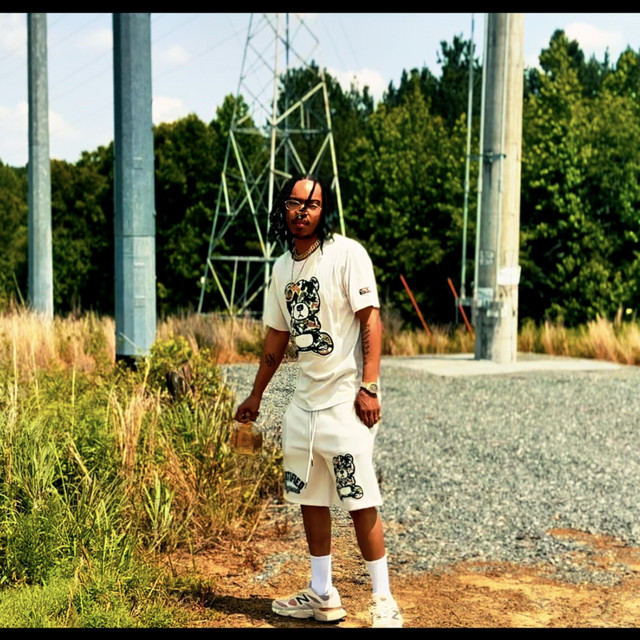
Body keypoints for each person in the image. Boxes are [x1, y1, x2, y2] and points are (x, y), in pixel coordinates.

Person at [234, 173, 403, 628]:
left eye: (312, 205)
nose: (302, 212)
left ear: (323, 211)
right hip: (303, 404)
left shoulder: (347, 254)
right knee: (310, 498)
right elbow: (277, 336)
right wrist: (256, 393)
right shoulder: (281, 269)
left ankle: (383, 598)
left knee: (359, 498)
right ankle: (323, 593)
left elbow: (370, 320)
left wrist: (370, 386)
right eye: (295, 203)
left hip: (346, 400)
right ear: (283, 208)